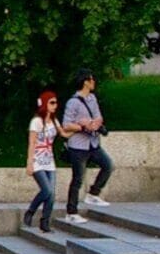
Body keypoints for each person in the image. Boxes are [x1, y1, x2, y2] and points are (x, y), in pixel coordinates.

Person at [58, 76, 114, 221]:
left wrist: (92, 123)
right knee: (78, 178)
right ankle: (71, 212)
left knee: (108, 165)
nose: (94, 82)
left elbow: (98, 118)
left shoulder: (92, 99)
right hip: (78, 145)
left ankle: (93, 193)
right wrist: (82, 126)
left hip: (93, 143)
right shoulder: (73, 102)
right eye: (91, 80)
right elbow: (66, 124)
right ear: (85, 82)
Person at [23, 91, 63, 235]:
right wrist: (29, 162)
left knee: (52, 194)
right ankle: (31, 211)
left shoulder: (54, 121)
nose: (55, 106)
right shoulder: (36, 121)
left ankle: (45, 222)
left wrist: (80, 128)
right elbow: (32, 142)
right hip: (37, 160)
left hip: (49, 160)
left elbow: (63, 133)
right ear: (44, 103)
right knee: (47, 190)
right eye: (51, 103)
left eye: (56, 103)